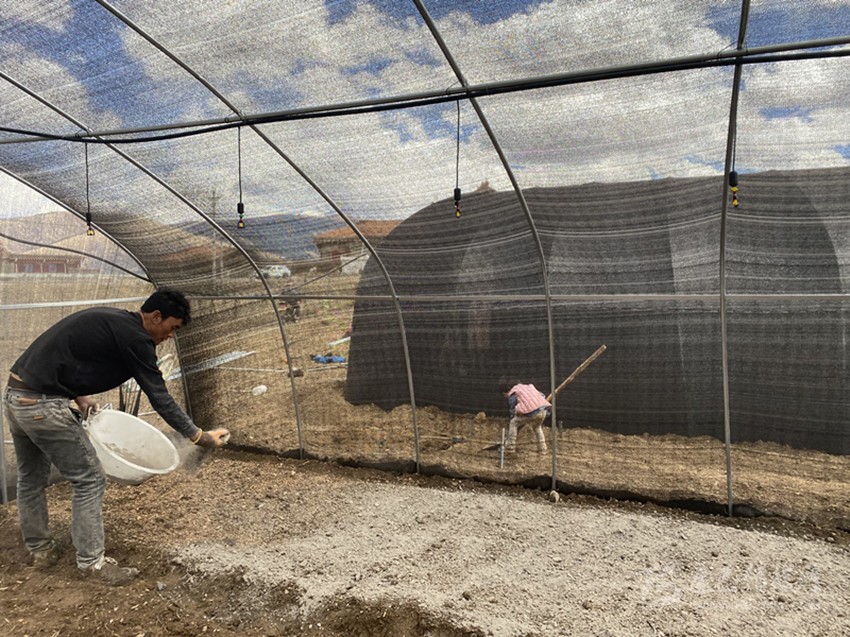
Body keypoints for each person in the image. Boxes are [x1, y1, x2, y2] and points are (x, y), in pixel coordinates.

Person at [4, 288, 230, 586]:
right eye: (172, 327)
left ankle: (40, 550)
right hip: (43, 407)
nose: (170, 336)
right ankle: (92, 564)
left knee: (30, 477)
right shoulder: (137, 340)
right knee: (90, 478)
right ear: (156, 316)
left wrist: (79, 395)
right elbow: (160, 398)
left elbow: (66, 354)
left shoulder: (114, 320)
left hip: (16, 397)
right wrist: (200, 437)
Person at [498, 380, 551, 454]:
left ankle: (510, 447)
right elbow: (542, 395)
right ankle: (543, 449)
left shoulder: (513, 393)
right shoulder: (528, 387)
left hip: (532, 413)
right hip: (543, 410)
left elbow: (513, 409)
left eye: (504, 395)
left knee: (513, 423)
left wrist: (513, 417)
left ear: (505, 392)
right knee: (537, 427)